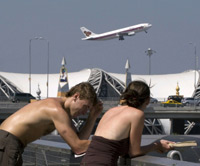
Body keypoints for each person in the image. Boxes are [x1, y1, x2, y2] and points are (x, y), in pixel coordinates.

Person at [0, 82, 103, 166]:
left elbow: (79, 140)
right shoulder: (56, 110)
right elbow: (78, 147)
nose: (85, 112)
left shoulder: (62, 112)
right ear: (76, 96)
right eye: (85, 106)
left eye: (88, 110)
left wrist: (92, 117)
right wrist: (107, 142)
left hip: (9, 143)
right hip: (7, 142)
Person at [81, 80, 174, 166]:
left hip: (86, 161)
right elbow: (135, 152)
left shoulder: (111, 111)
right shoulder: (137, 115)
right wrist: (157, 145)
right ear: (148, 100)